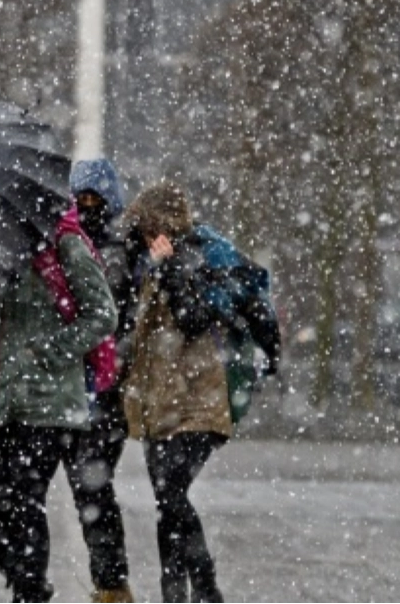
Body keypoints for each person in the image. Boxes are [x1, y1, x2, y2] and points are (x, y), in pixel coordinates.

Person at [0, 204, 118, 604]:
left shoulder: (65, 244)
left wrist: (51, 352)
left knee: (22, 500)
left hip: (47, 401)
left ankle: (29, 591)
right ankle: (26, 580)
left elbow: (102, 314)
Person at [121, 181, 235, 604]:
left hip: (196, 403)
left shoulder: (195, 259)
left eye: (149, 225)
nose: (146, 233)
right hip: (158, 405)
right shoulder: (147, 264)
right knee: (167, 502)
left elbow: (193, 320)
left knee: (171, 495)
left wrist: (170, 270)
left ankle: (205, 589)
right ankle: (176, 595)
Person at [65, 158, 136, 604]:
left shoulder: (116, 249)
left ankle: (111, 583)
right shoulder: (73, 243)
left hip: (105, 386)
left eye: (96, 199)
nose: (89, 206)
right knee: (89, 487)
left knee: (92, 486)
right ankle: (109, 581)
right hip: (80, 384)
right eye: (81, 198)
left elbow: (109, 311)